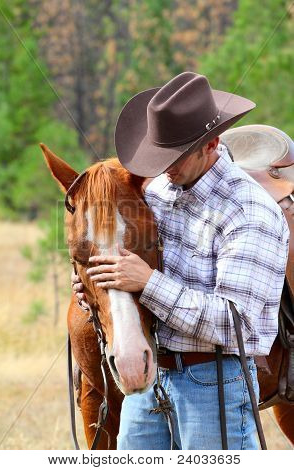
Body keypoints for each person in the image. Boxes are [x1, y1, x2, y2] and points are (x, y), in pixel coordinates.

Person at [71, 72, 290, 450]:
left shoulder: (249, 211)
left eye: (176, 155)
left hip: (214, 381)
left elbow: (234, 322)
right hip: (152, 379)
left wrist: (147, 282)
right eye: (160, 153)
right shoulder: (157, 191)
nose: (164, 165)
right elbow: (122, 254)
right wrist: (99, 284)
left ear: (212, 143)